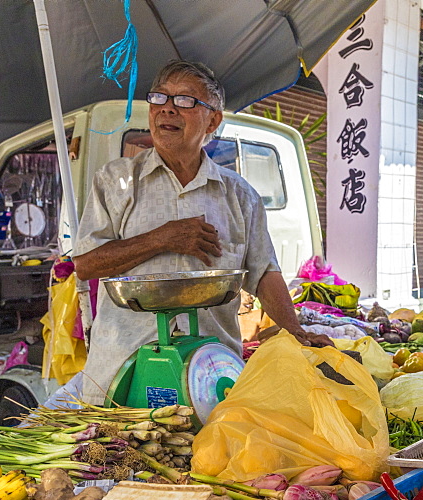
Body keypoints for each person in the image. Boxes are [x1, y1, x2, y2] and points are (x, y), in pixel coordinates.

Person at [72, 60, 329, 405]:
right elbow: (87, 264)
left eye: (184, 100)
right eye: (159, 98)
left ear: (213, 120)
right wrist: (161, 238)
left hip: (212, 371)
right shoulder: (116, 181)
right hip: (123, 369)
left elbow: (264, 272)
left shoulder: (239, 195)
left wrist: (294, 330)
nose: (167, 109)